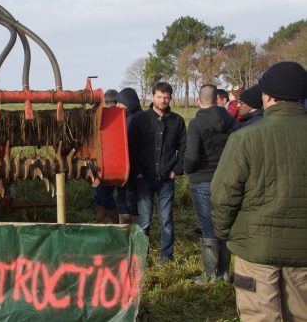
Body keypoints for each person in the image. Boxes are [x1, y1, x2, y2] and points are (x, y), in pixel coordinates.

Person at [211, 61, 307, 321]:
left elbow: (222, 195)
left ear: (269, 96)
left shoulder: (245, 137)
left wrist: (224, 233)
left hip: (255, 251)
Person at [184, 85, 240, 284]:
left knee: (208, 228)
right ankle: (224, 273)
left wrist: (188, 170)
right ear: (218, 100)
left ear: (199, 101)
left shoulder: (196, 124)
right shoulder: (232, 122)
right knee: (224, 225)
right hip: (227, 180)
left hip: (202, 180)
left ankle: (210, 276)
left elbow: (192, 155)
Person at [129, 82, 187, 265]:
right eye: (160, 97)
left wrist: (175, 170)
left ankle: (166, 257)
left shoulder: (177, 121)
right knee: (144, 221)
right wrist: (137, 172)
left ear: (170, 98)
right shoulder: (140, 119)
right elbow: (131, 147)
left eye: (166, 97)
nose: (163, 100)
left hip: (165, 179)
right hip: (144, 178)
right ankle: (142, 259)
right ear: (152, 97)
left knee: (167, 221)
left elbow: (185, 148)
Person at [114, 87, 143, 224]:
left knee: (131, 200)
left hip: (134, 170)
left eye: (120, 102)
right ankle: (124, 230)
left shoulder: (138, 120)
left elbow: (138, 147)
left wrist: (138, 170)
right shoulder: (125, 118)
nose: (117, 105)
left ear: (129, 102)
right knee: (123, 198)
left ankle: (131, 232)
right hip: (124, 167)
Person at [93, 89, 120, 223]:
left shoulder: (105, 116)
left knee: (104, 194)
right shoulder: (118, 115)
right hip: (106, 161)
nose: (110, 106)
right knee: (102, 194)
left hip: (111, 162)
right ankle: (101, 220)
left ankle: (111, 222)